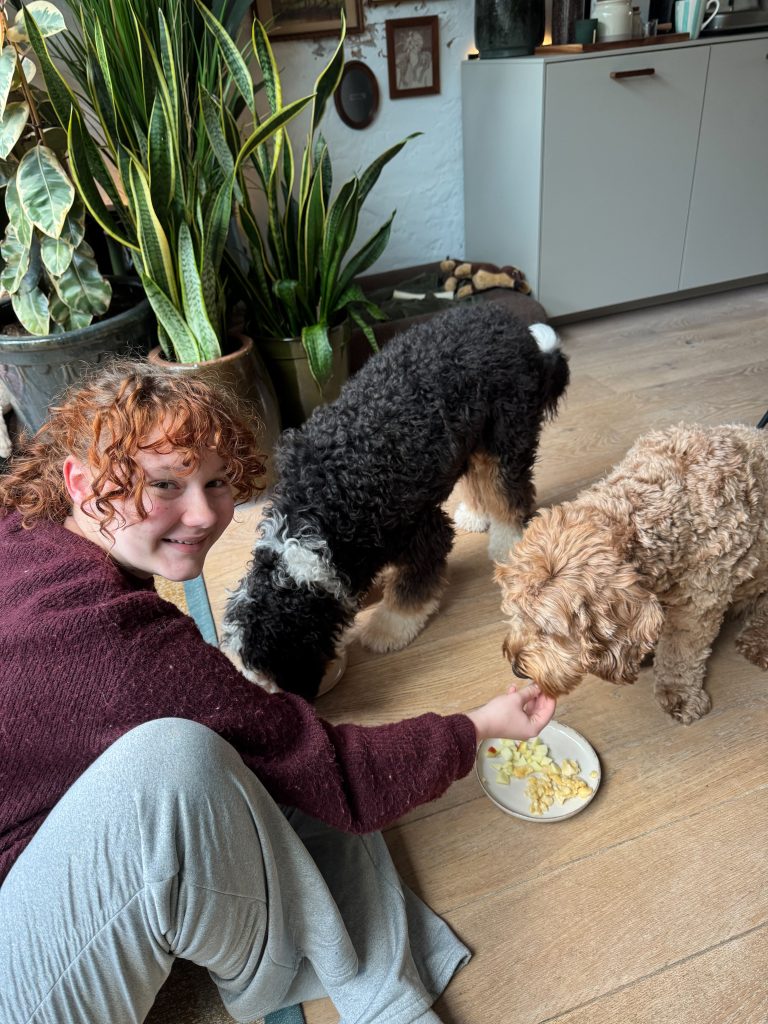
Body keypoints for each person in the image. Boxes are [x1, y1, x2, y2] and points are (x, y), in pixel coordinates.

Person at [0, 361, 556, 1024]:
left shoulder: (23, 525)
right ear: (82, 485)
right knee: (212, 762)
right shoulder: (124, 645)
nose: (204, 512)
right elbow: (340, 777)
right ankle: (369, 992)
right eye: (166, 485)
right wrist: (477, 726)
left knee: (249, 734)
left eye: (216, 482)